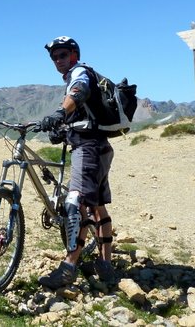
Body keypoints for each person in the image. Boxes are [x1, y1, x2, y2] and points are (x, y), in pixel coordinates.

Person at [37, 36, 117, 289]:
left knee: (75, 202)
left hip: (89, 148)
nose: (58, 61)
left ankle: (68, 268)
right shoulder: (78, 74)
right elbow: (85, 110)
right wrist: (63, 127)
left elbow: (79, 91)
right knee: (97, 206)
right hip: (100, 146)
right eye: (54, 58)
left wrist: (61, 112)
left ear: (73, 55)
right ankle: (105, 266)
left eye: (62, 55)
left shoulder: (80, 72)